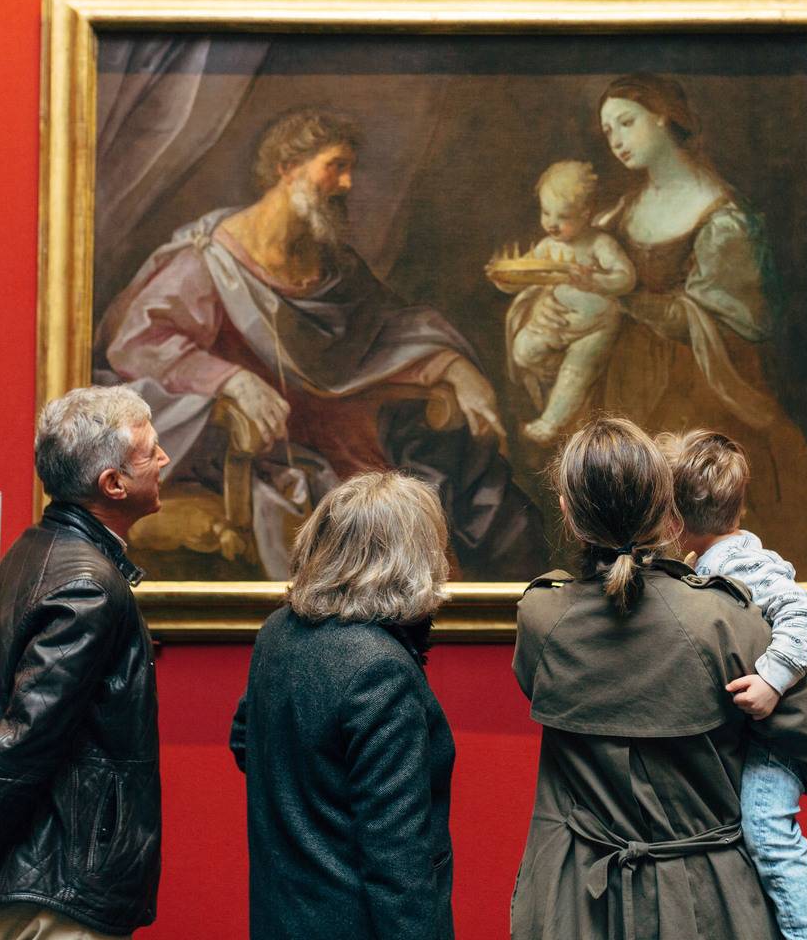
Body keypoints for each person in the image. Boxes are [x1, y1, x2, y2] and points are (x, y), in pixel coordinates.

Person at [98, 107, 544, 582]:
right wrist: (233, 380)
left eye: (350, 169)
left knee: (485, 490)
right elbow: (140, 342)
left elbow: (390, 328)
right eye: (335, 166)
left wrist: (457, 369)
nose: (347, 183)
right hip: (279, 449)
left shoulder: (332, 265)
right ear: (286, 168)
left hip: (354, 436)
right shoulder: (211, 262)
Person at [510, 416, 807, 940]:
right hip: (710, 899)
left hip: (581, 904)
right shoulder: (724, 618)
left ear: (568, 515)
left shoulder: (541, 618)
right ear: (665, 512)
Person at [0, 385, 169, 938]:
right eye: (151, 452)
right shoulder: (88, 584)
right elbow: (24, 743)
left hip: (30, 880)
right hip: (58, 890)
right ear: (113, 484)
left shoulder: (31, 555)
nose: (165, 460)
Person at [545, 72, 807, 582]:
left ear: (662, 115)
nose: (618, 141)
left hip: (697, 387)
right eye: (608, 133)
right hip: (625, 382)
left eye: (626, 123)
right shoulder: (623, 209)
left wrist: (623, 294)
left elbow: (728, 325)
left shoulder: (722, 218)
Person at [229, 470, 456, 940]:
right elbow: (396, 861)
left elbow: (244, 744)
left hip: (281, 917)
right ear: (413, 560)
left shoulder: (277, 631)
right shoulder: (381, 667)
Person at [661, 428, 807, 940]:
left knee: (769, 835)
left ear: (674, 519)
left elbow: (803, 612)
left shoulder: (736, 565)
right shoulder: (718, 558)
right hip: (761, 736)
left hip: (776, 739)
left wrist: (770, 681)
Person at [502, 159, 636, 445]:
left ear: (586, 213)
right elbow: (525, 275)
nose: (551, 223)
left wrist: (596, 281)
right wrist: (507, 277)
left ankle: (551, 422)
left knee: (578, 368)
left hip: (596, 328)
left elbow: (627, 278)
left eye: (562, 216)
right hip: (558, 324)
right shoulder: (548, 247)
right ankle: (548, 374)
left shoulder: (598, 243)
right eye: (546, 212)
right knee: (522, 349)